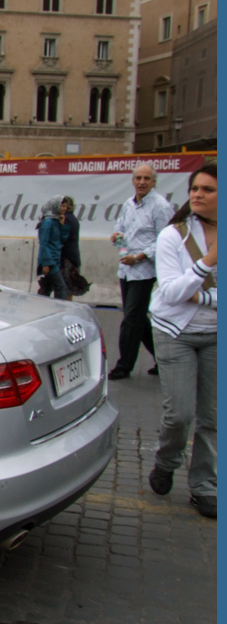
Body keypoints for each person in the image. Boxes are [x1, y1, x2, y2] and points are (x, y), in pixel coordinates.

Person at [147, 163, 216, 519]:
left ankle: (204, 486)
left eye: (207, 190)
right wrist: (208, 262)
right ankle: (167, 460)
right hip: (175, 332)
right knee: (180, 415)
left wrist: (204, 297)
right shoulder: (174, 236)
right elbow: (173, 292)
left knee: (213, 417)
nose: (198, 195)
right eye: (195, 188)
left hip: (215, 334)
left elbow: (191, 293)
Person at [108, 163, 175, 380]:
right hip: (126, 268)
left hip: (144, 269)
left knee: (130, 319)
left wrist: (140, 256)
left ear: (154, 181)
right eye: (138, 178)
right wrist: (117, 237)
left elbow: (165, 239)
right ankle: (164, 358)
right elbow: (120, 228)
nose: (142, 182)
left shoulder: (160, 206)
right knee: (138, 318)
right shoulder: (129, 204)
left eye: (147, 178)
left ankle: (123, 365)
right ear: (133, 180)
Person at [36, 195, 70, 300]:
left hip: (55, 259)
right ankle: (60, 310)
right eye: (63, 206)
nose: (65, 209)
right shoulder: (47, 222)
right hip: (50, 262)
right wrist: (46, 263)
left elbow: (62, 240)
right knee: (61, 287)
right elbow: (44, 243)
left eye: (66, 206)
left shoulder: (56, 221)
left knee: (47, 289)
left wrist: (62, 225)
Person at [60, 197, 88, 300]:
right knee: (69, 290)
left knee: (65, 289)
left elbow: (63, 238)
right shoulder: (73, 218)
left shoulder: (66, 219)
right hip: (73, 257)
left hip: (67, 259)